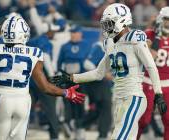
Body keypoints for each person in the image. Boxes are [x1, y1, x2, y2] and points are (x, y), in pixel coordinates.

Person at [50, 3, 167, 139]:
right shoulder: (110, 43)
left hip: (133, 97)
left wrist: (158, 93)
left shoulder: (135, 37)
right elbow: (98, 73)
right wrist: (72, 78)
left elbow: (151, 66)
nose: (106, 27)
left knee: (118, 137)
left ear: (122, 21)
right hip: (118, 98)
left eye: (109, 23)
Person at [0, 13, 85, 140]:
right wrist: (66, 93)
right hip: (23, 101)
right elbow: (45, 87)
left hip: (3, 98)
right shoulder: (34, 53)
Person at [137, 7, 169, 140]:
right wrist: (156, 39)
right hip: (149, 82)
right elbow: (146, 55)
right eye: (167, 19)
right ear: (161, 19)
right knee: (143, 120)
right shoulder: (149, 34)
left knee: (168, 121)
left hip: (167, 84)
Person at [57, 25, 91, 140]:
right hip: (68, 82)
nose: (73, 35)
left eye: (75, 32)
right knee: (68, 105)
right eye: (72, 33)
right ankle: (69, 125)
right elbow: (59, 63)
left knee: (81, 105)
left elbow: (89, 63)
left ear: (80, 34)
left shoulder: (86, 45)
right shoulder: (64, 46)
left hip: (82, 81)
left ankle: (80, 128)